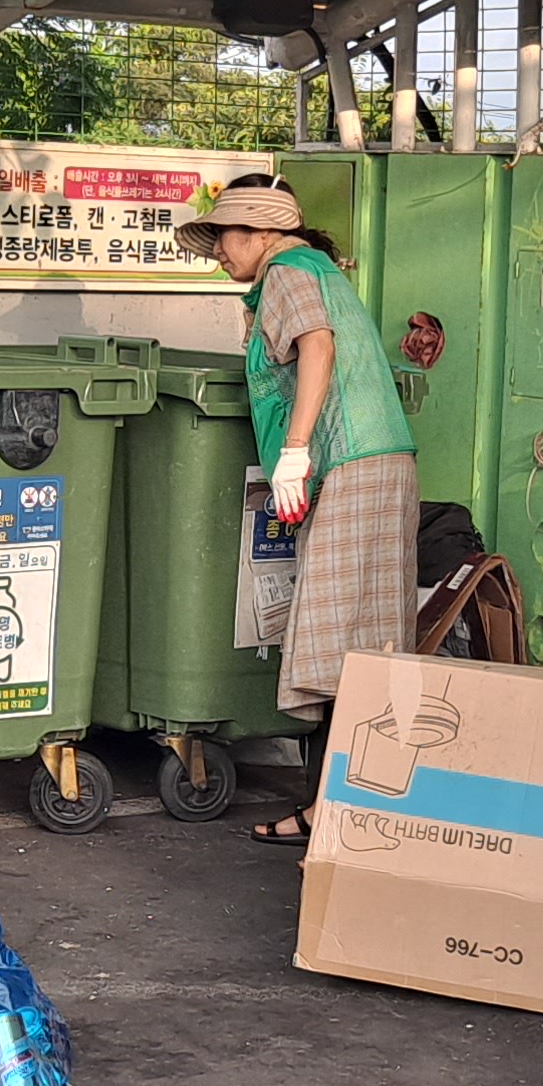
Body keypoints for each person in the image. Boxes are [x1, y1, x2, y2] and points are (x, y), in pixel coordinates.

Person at [173, 178, 419, 843]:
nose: (218, 253)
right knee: (362, 644)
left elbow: (317, 346)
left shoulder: (288, 270)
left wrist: (297, 450)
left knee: (340, 642)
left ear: (257, 233)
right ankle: (346, 810)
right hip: (375, 462)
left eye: (223, 237)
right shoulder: (309, 270)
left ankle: (336, 814)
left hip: (351, 462)